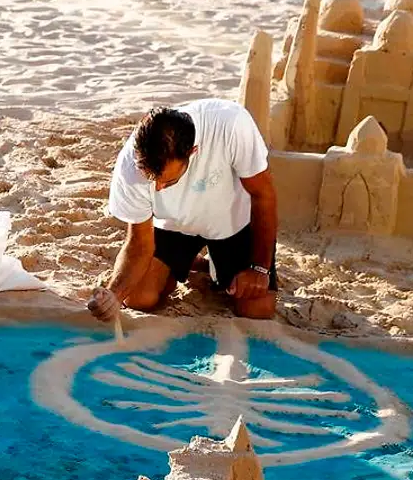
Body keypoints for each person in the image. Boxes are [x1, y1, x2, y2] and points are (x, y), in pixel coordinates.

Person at [87, 100, 278, 323]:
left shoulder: (231, 124)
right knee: (138, 297)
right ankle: (199, 264)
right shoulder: (130, 166)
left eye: (168, 182)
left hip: (231, 221)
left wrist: (260, 269)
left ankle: (217, 264)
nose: (158, 188)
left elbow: (263, 196)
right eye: (151, 180)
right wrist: (114, 296)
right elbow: (139, 242)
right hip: (173, 224)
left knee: (257, 309)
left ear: (193, 152)